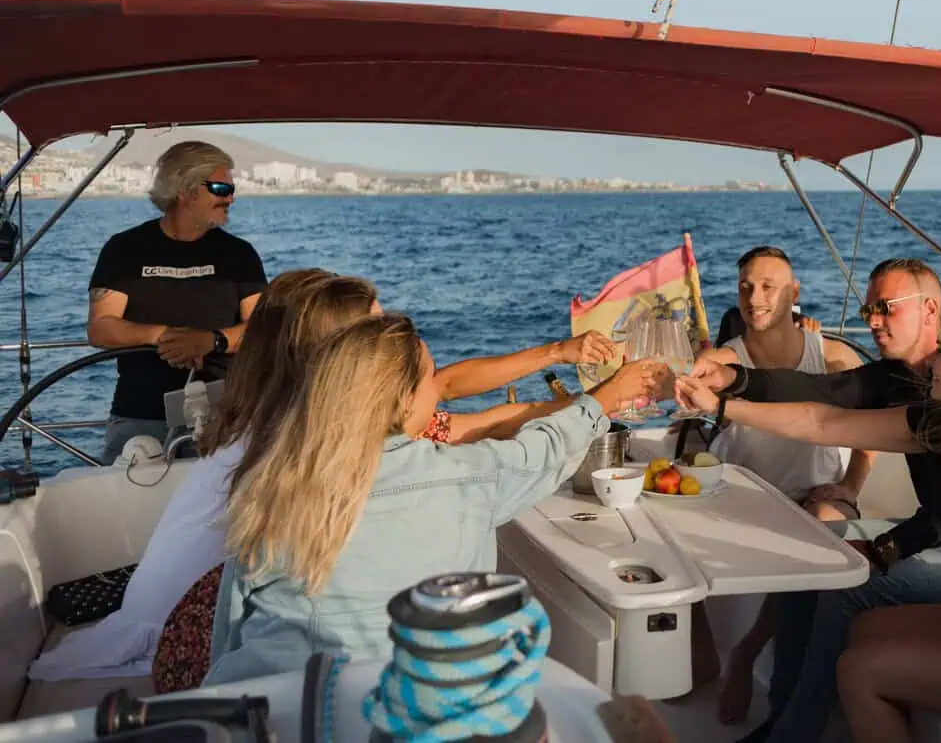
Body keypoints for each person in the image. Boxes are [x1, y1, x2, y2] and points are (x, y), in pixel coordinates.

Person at [32, 269, 609, 684]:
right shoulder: (304, 443)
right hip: (187, 635)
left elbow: (440, 394)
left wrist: (559, 359)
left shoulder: (282, 410)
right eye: (374, 323)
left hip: (186, 610)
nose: (385, 333)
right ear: (339, 353)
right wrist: (587, 403)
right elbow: (447, 421)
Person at [677, 293, 941, 742]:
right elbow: (822, 421)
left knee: (861, 671)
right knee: (863, 627)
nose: (933, 362)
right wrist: (721, 407)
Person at [203, 312, 663, 684]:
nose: (439, 385)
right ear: (403, 401)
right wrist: (602, 401)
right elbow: (542, 449)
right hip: (419, 702)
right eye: (429, 377)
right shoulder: (465, 477)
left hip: (270, 698)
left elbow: (233, 625)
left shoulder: (270, 480)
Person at [685, 258, 941, 742]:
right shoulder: (897, 378)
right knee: (818, 556)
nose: (872, 321)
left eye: (885, 308)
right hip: (928, 536)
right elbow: (817, 393)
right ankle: (781, 715)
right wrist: (734, 382)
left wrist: (889, 548)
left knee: (843, 582)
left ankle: (792, 734)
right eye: (869, 309)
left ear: (930, 309)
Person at [693, 246, 867, 723]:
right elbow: (698, 390)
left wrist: (851, 485)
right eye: (746, 287)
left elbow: (870, 427)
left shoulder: (832, 355)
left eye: (769, 286)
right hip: (742, 497)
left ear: (794, 294)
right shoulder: (724, 361)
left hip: (813, 497)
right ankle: (705, 656)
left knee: (824, 528)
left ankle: (748, 654)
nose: (755, 297)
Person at [87, 141, 266, 464]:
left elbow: (263, 329)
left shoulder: (239, 255)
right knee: (130, 512)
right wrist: (167, 337)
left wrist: (210, 340)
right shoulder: (124, 250)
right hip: (139, 414)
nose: (231, 198)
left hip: (224, 416)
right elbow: (101, 328)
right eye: (221, 188)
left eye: (231, 189)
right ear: (185, 189)